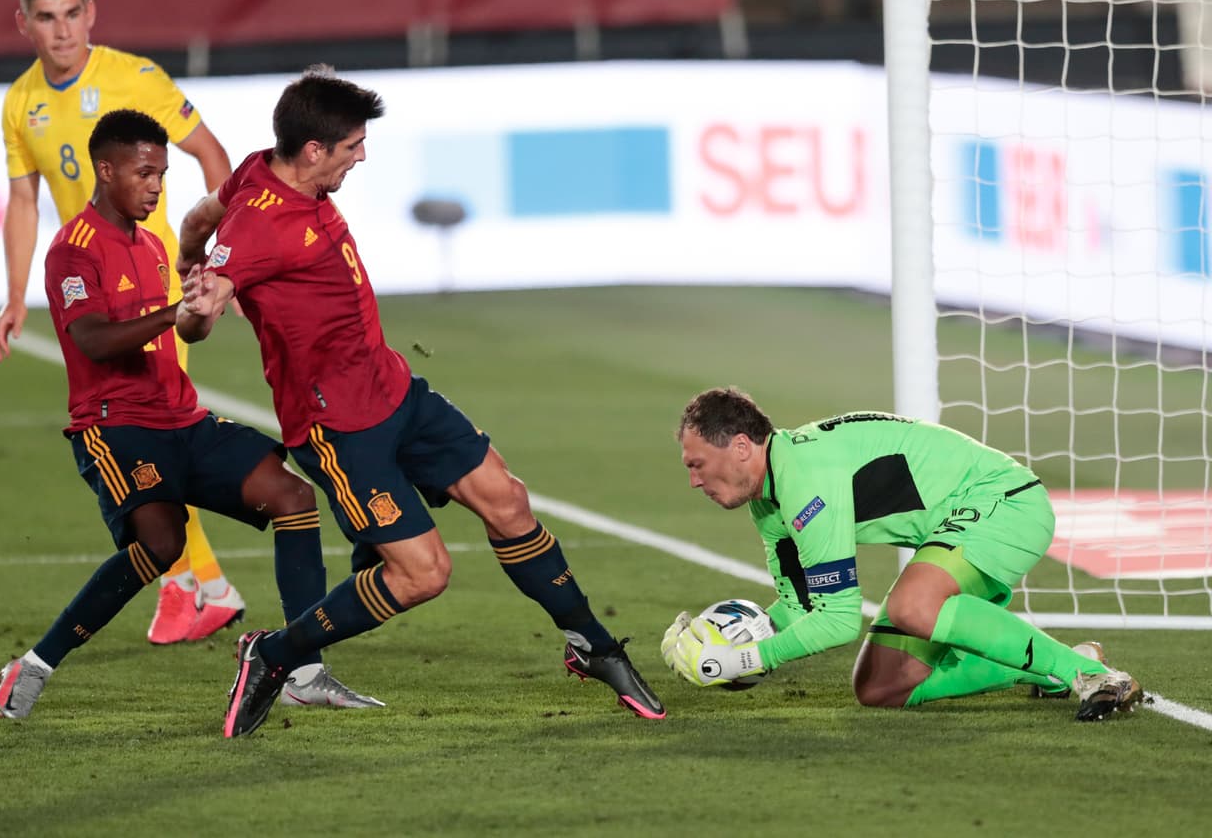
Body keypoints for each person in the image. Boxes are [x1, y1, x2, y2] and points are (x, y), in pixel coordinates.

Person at [173, 66, 666, 736]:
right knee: (425, 572)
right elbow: (199, 316)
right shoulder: (261, 227)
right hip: (337, 425)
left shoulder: (261, 170)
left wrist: (187, 254)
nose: (362, 155)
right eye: (352, 145)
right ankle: (275, 653)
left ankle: (593, 645)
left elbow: (203, 213)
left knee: (508, 499)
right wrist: (199, 303)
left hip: (396, 390)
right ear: (314, 151)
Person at [0, 110, 380, 719]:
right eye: (144, 173)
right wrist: (174, 313)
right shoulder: (73, 250)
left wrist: (198, 310)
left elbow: (186, 334)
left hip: (183, 421)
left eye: (162, 174)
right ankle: (35, 664)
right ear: (106, 169)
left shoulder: (154, 244)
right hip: (113, 425)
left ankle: (303, 671)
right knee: (162, 542)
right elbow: (93, 340)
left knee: (293, 498)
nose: (155, 185)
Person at [0, 0, 239, 644]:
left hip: (154, 291)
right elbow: (22, 199)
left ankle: (199, 586)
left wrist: (220, 262)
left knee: (154, 439)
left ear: (90, 13)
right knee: (144, 443)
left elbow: (215, 157)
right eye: (46, 17)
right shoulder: (20, 103)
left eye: (72, 13)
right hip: (95, 298)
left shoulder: (134, 79)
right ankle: (201, 585)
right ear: (25, 24)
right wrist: (15, 294)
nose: (62, 30)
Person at [662, 387, 1144, 722]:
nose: (693, 481)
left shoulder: (805, 478)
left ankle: (1093, 675)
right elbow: (801, 607)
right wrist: (731, 642)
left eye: (697, 464)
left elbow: (839, 620)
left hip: (1005, 501)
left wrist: (743, 660)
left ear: (741, 446)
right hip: (956, 521)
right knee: (881, 689)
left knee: (914, 605)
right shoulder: (771, 502)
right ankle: (1057, 665)